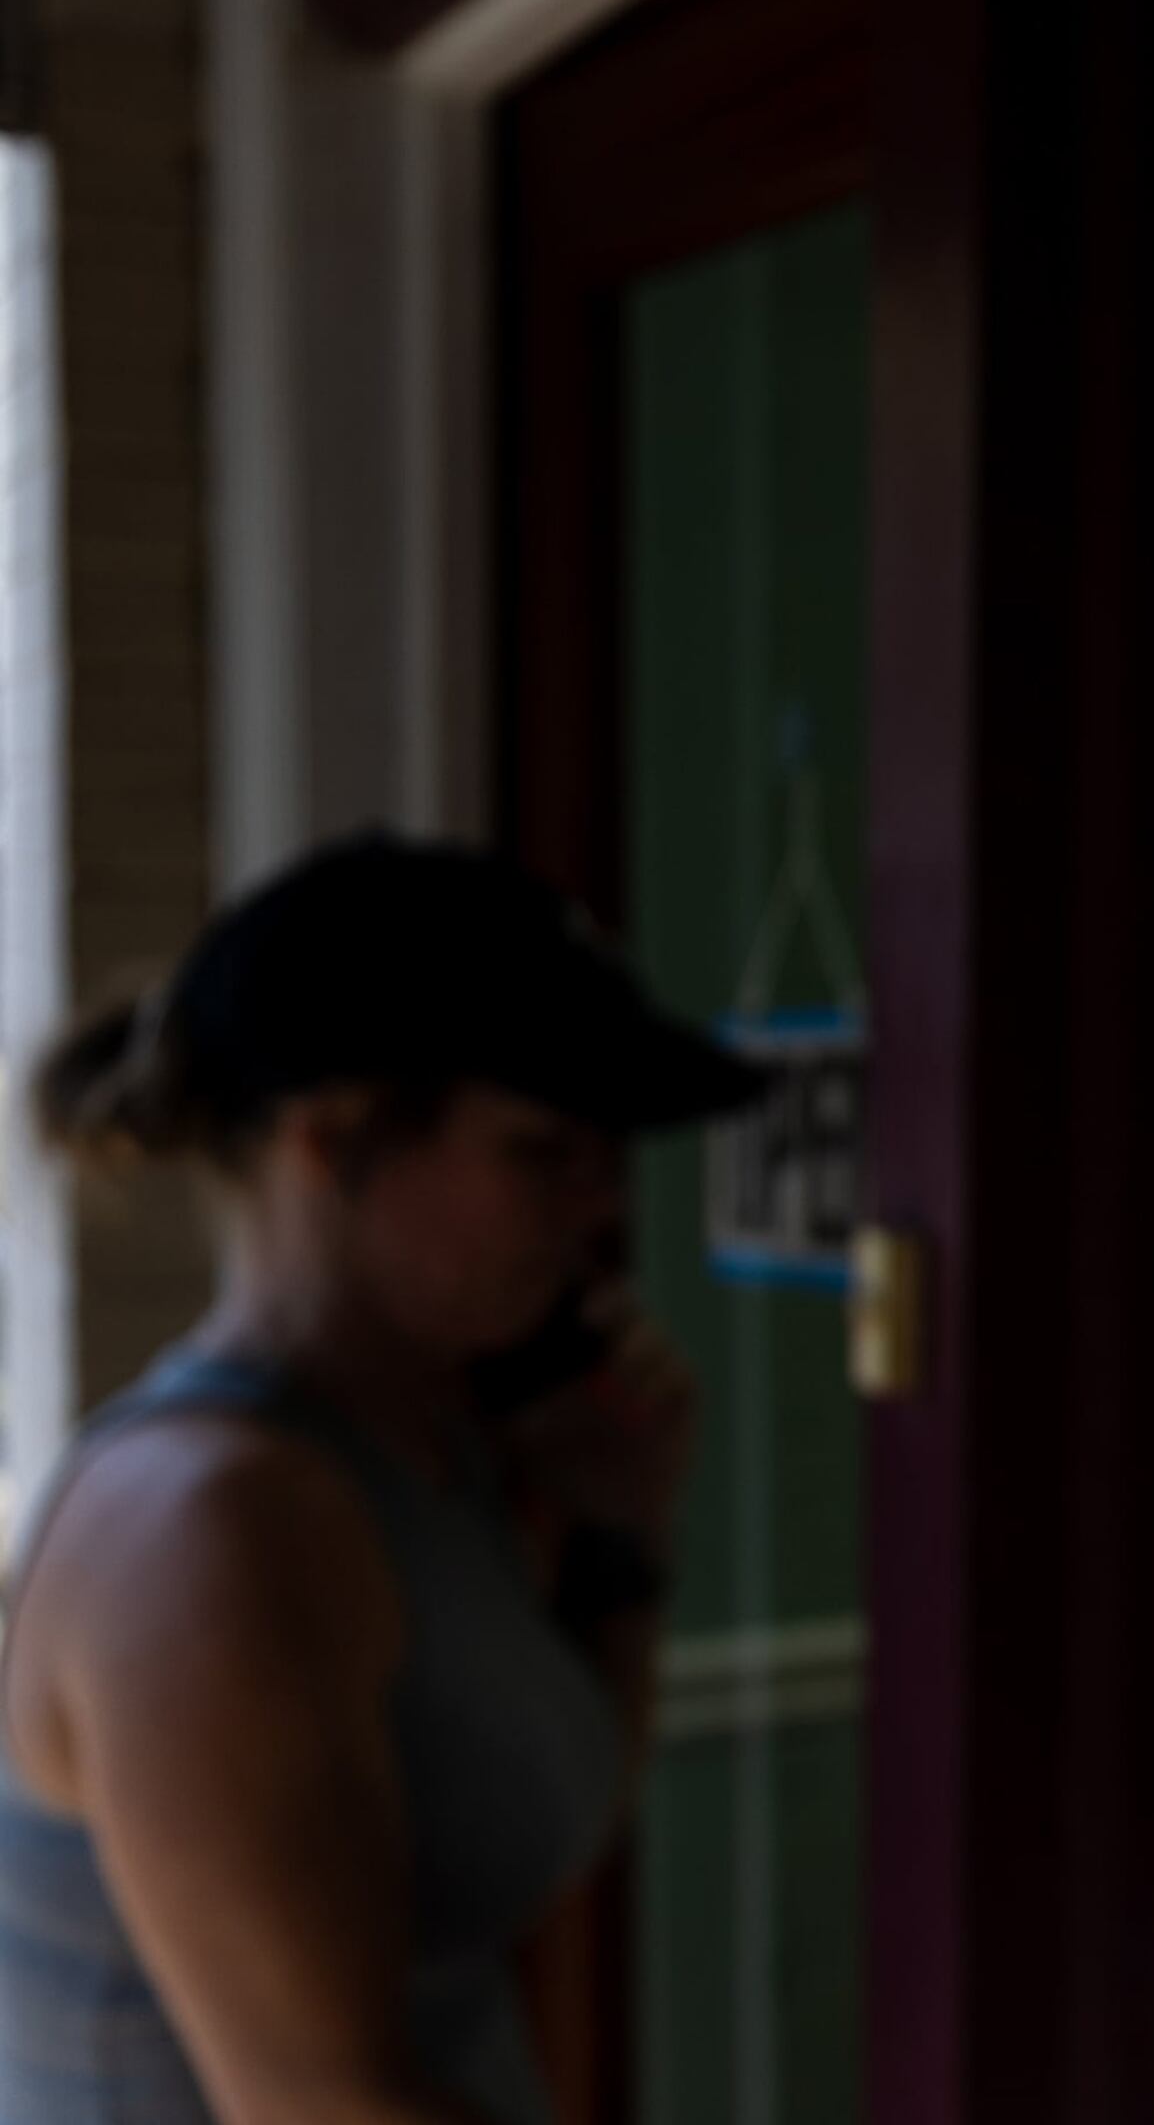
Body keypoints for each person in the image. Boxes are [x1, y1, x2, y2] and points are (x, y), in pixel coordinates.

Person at [0, 833, 762, 2123]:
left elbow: (534, 1819)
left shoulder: (420, 1455)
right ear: (330, 1140)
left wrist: (615, 1539)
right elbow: (328, 2111)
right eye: (542, 1151)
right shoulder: (214, 1531)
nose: (601, 1205)